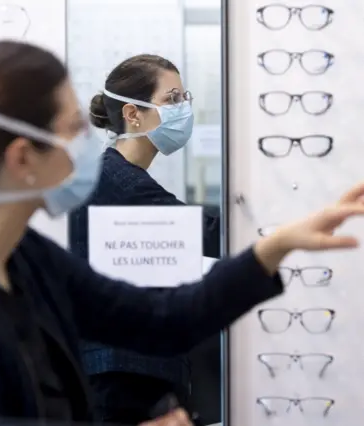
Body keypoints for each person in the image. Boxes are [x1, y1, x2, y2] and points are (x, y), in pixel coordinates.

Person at [0, 40, 364, 424]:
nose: (88, 143)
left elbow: (159, 318)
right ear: (22, 159)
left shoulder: (23, 257)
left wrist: (276, 246)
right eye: (73, 127)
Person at [69, 54, 220, 424]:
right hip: (122, 379)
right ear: (133, 114)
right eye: (172, 99)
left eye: (184, 98)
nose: (182, 109)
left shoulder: (117, 177)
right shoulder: (119, 182)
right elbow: (210, 235)